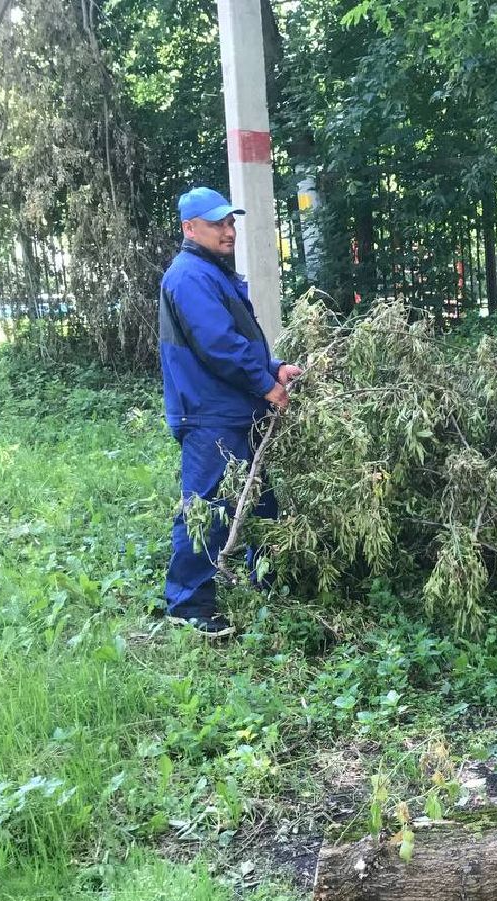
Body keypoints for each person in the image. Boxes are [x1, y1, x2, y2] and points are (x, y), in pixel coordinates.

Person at [159, 186, 301, 637]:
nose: (228, 231)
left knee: (259, 499)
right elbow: (219, 346)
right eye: (217, 224)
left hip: (233, 408)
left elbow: (237, 341)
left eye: (230, 222)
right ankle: (188, 604)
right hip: (209, 414)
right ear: (189, 228)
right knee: (207, 507)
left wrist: (274, 368)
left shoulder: (211, 272)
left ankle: (268, 581)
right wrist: (266, 386)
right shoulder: (189, 277)